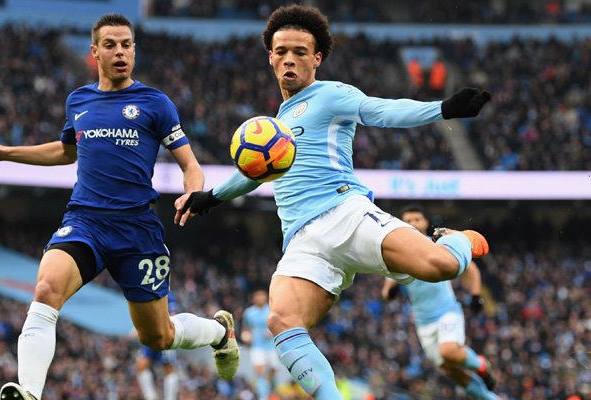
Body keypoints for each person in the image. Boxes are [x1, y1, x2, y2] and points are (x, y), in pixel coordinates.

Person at [177, 5, 491, 399]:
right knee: (281, 319)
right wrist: (210, 197)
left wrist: (442, 109)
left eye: (300, 52)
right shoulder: (274, 125)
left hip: (346, 214)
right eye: (281, 51)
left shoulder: (330, 94)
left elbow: (381, 110)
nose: (289, 59)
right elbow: (253, 173)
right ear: (270, 57)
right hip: (302, 240)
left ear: (317, 58)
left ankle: (459, 239)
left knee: (440, 266)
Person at [0, 13, 239, 400]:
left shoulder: (155, 103)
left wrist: (192, 193)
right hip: (85, 221)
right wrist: (5, 152)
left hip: (137, 229)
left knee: (158, 337)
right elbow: (67, 151)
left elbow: (191, 165)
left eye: (126, 45)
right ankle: (29, 392)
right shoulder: (78, 101)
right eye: (110, 45)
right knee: (45, 289)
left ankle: (219, 332)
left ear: (134, 50)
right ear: (94, 52)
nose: (120, 52)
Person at [381, 204, 501, 400]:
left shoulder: (437, 245)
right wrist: (391, 292)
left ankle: (480, 365)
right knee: (450, 370)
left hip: (447, 311)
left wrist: (476, 294)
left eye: (417, 219)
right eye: (408, 220)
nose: (413, 223)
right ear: (402, 224)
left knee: (449, 351)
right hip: (423, 322)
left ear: (425, 222)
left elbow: (470, 267)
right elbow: (386, 290)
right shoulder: (398, 253)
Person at [241, 289, 285, 400]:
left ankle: (268, 387)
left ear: (266, 298)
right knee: (260, 371)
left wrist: (272, 333)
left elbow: (280, 326)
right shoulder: (249, 312)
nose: (260, 298)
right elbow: (245, 328)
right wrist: (246, 336)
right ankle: (263, 395)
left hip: (272, 347)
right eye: (258, 296)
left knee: (274, 369)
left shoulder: (271, 311)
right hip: (257, 347)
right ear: (254, 299)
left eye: (262, 296)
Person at [136, 292, 180, 400]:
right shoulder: (148, 292)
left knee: (168, 368)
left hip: (164, 335)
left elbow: (173, 315)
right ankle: (150, 397)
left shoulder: (168, 295)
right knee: (141, 365)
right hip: (152, 334)